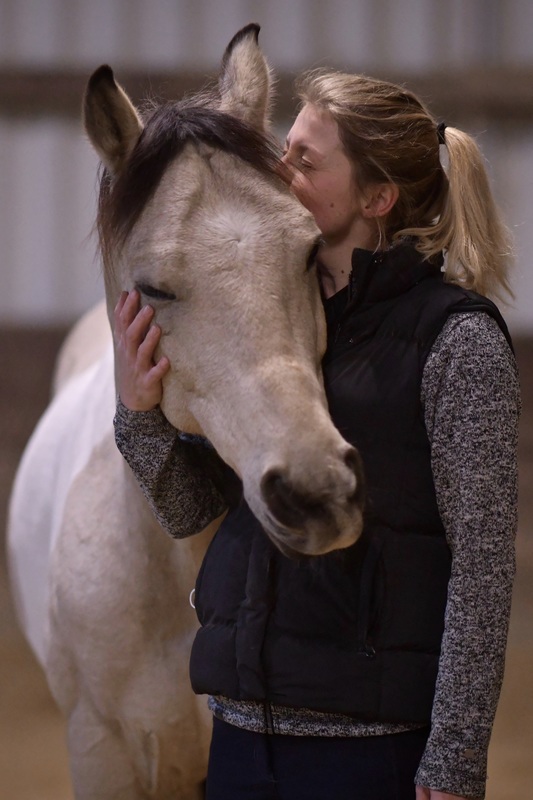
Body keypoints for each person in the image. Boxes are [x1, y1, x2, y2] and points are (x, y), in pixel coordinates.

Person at [113, 69, 520, 800]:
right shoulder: (268, 329)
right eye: (282, 148)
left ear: (375, 198)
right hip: (241, 734)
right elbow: (197, 513)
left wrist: (455, 754)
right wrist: (137, 412)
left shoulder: (455, 342)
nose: (278, 167)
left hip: (370, 750)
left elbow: (482, 564)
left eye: (305, 158)